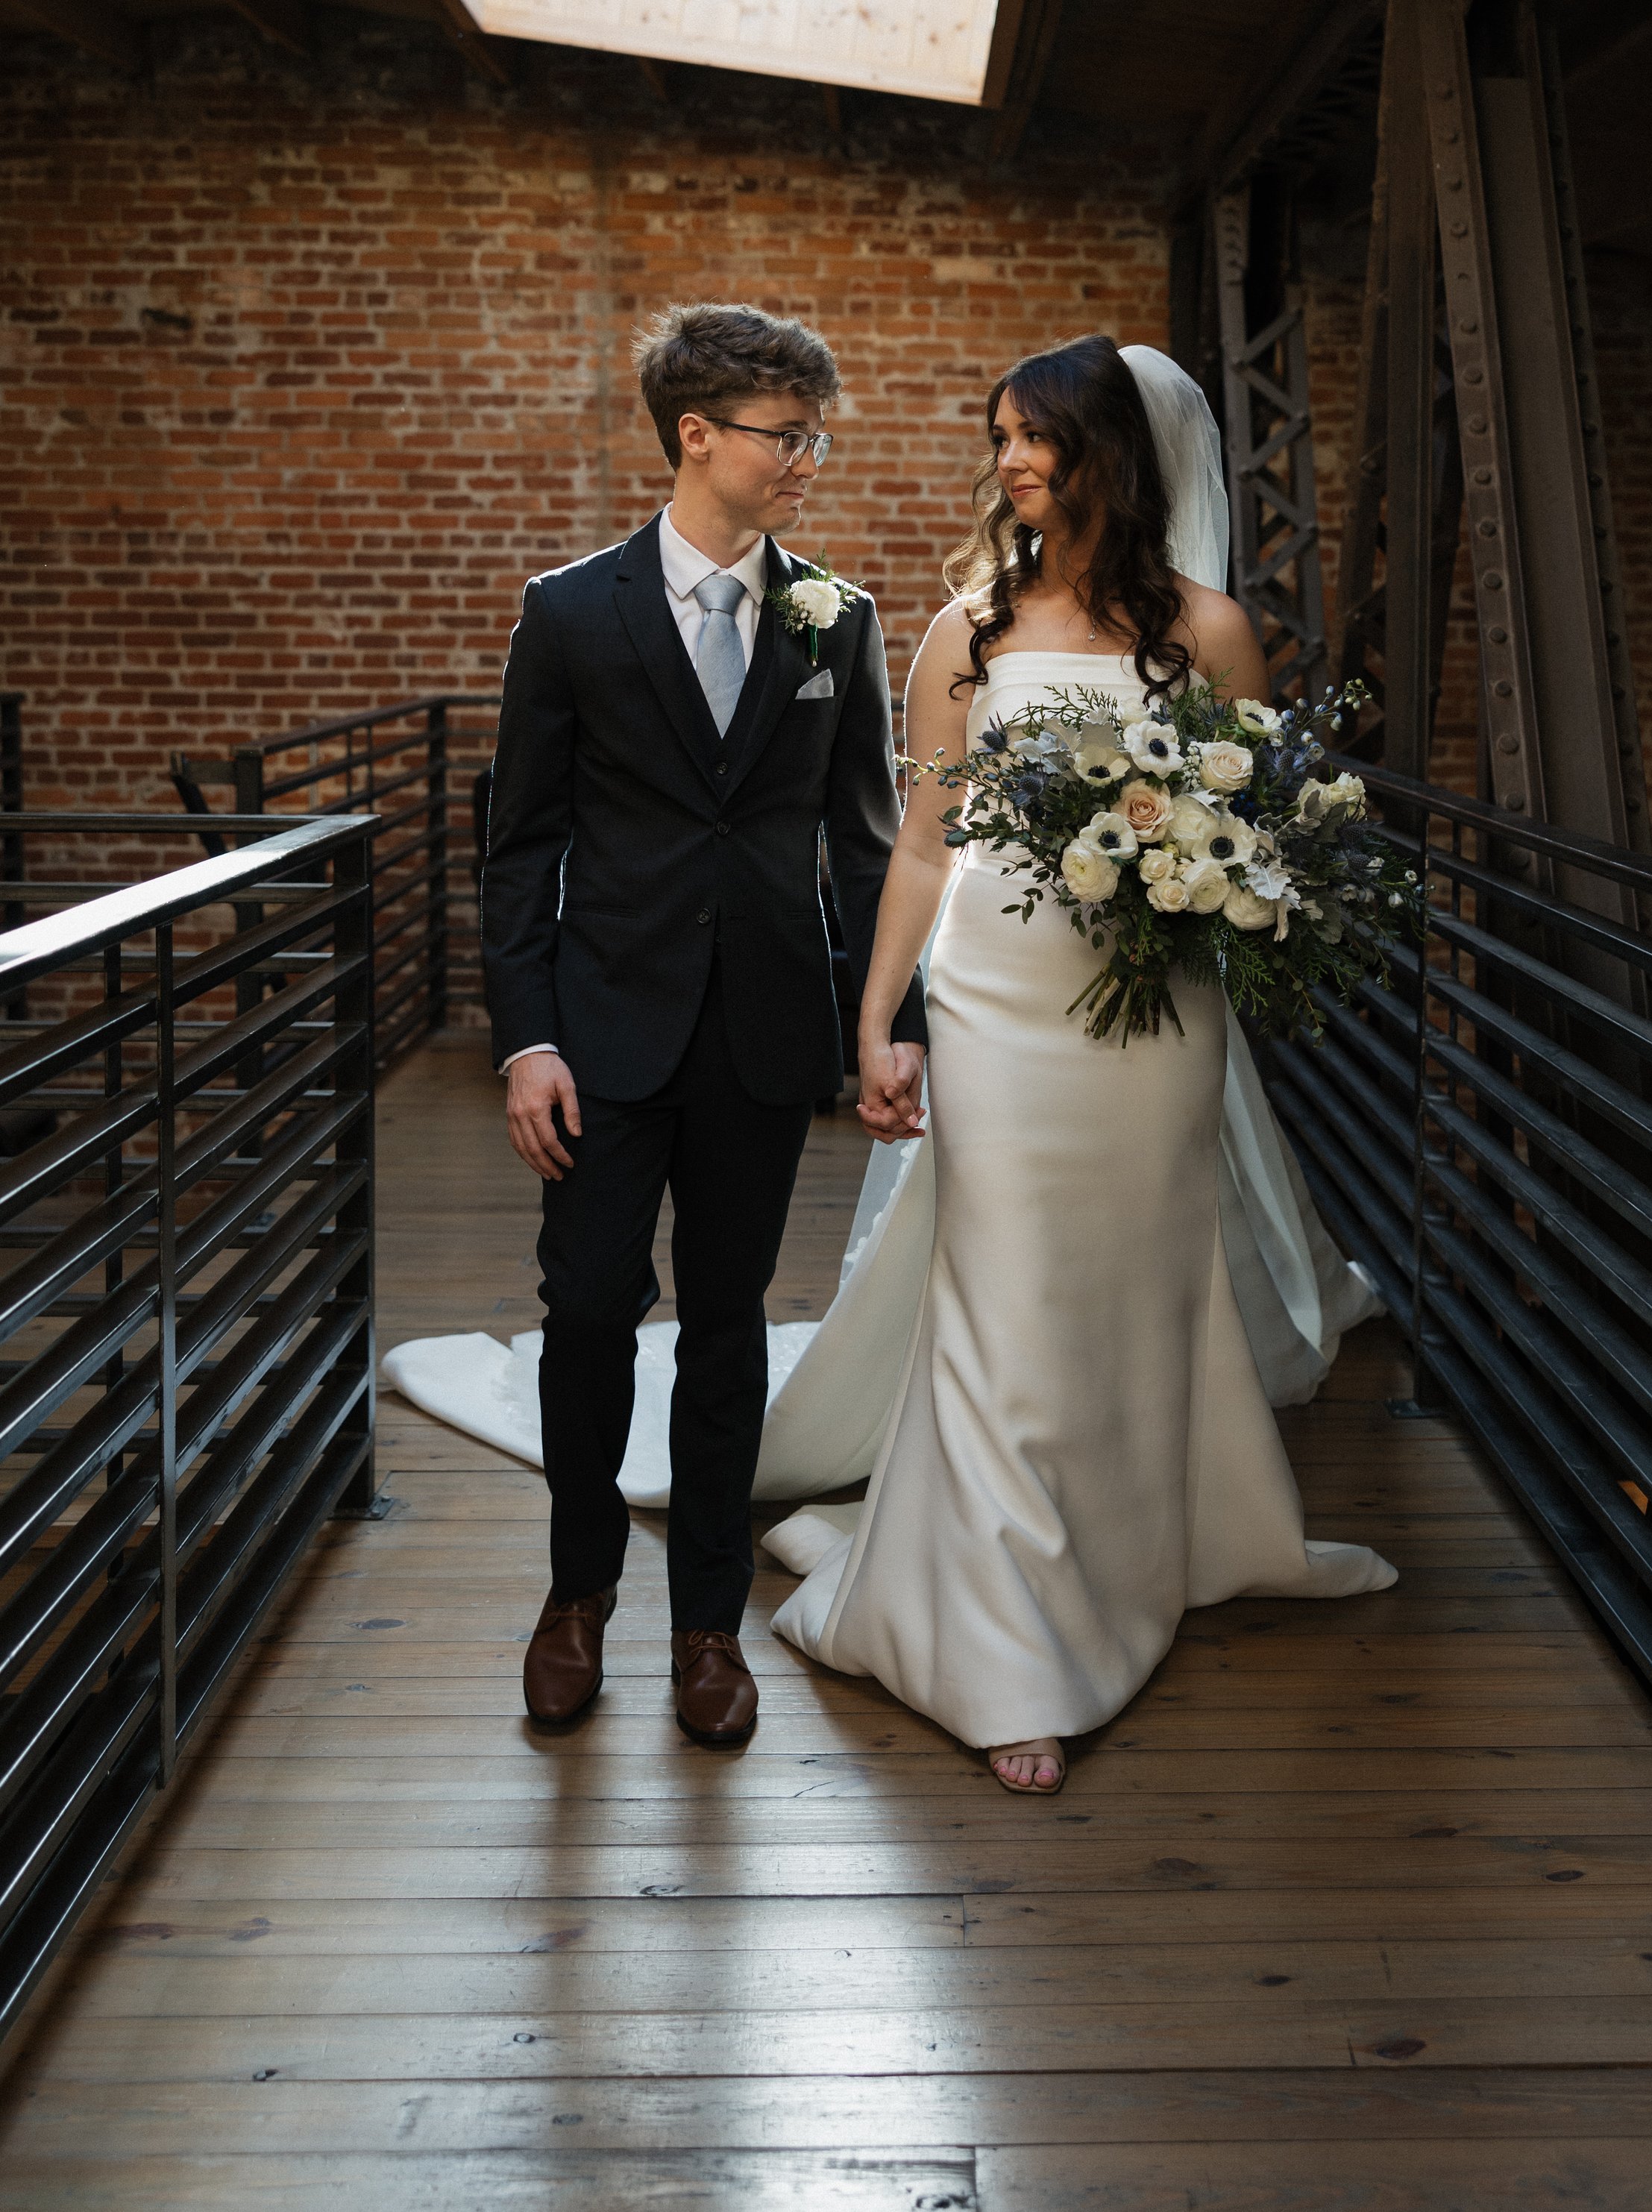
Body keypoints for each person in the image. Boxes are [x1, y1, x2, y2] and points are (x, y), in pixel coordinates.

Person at [762, 336, 1394, 1793]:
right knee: (1001, 1290)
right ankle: (997, 1646)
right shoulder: (959, 635)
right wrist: (878, 1024)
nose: (1005, 463)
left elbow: (1267, 834)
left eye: (1028, 438)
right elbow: (920, 845)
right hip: (992, 1003)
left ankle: (1142, 1549)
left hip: (1154, 1013)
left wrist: (1217, 873)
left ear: (1100, 450)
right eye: (996, 439)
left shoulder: (1212, 634)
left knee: (1126, 1287)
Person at [480, 301, 925, 1741]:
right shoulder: (569, 612)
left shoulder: (834, 618)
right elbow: (519, 843)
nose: (810, 460)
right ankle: (574, 1598)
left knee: (730, 1327)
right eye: (785, 437)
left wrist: (886, 1019)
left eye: (814, 435)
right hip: (598, 1035)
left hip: (760, 1037)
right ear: (697, 436)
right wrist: (526, 1036)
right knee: (592, 1313)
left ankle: (707, 1629)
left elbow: (865, 844)